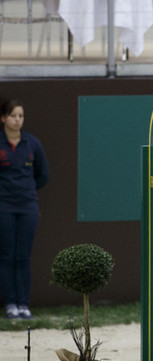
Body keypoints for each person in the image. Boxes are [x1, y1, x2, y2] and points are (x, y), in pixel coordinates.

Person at [0, 99, 49, 320]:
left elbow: (43, 175)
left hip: (28, 206)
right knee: (7, 256)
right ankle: (10, 304)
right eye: (13, 116)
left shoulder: (32, 143)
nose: (17, 120)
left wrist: (26, 191)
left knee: (23, 256)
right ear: (3, 118)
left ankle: (23, 304)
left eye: (20, 116)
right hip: (4, 207)